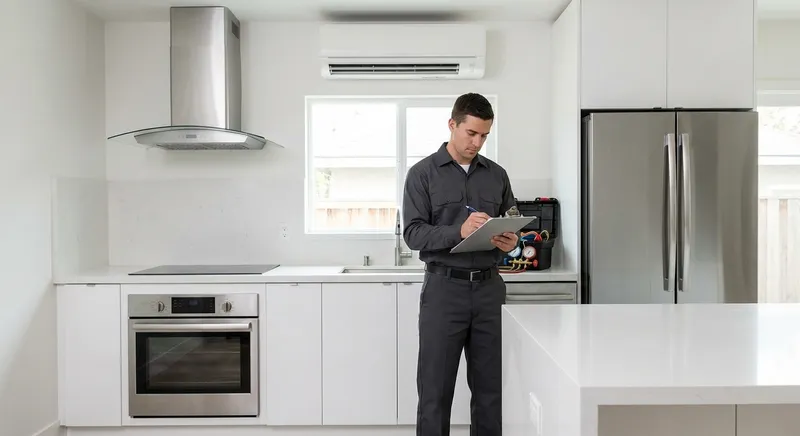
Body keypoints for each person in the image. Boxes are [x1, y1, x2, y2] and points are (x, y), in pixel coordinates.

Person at [402, 92, 518, 436]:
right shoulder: (421, 174)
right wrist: (460, 230)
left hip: (488, 291)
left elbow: (510, 220)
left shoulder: (497, 175)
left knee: (490, 392)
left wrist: (510, 242)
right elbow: (413, 234)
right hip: (443, 292)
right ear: (452, 124)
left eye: (484, 135)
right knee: (435, 391)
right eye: (471, 133)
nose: (477, 142)